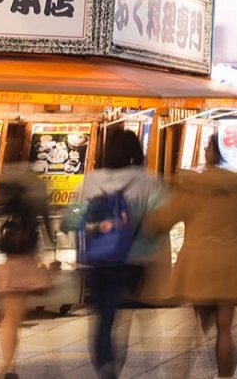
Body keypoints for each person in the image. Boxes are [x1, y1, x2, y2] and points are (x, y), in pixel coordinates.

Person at [149, 138, 237, 378]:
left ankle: (182, 373)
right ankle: (225, 375)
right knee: (226, 328)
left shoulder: (192, 185)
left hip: (198, 262)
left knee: (194, 326)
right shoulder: (236, 186)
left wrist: (146, 223)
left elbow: (164, 219)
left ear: (209, 154)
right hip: (230, 261)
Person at [67, 127, 162, 379]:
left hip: (96, 259)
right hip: (133, 259)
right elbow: (161, 219)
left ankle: (105, 366)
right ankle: (112, 363)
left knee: (101, 316)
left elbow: (72, 218)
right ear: (135, 151)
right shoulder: (148, 179)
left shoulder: (90, 179)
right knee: (120, 315)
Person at [0, 164, 56, 379]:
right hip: (25, 258)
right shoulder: (36, 191)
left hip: (10, 259)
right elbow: (45, 222)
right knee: (12, 317)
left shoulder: (8, 193)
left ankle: (5, 364)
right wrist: (51, 247)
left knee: (9, 315)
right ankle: (7, 367)